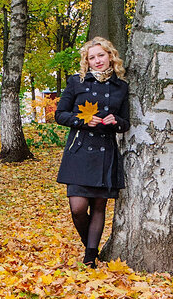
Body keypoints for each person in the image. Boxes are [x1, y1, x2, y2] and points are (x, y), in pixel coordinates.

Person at [54, 37, 130, 268]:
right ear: (86, 61)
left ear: (111, 56)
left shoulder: (121, 86)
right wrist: (83, 120)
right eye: (92, 57)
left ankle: (90, 256)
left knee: (98, 206)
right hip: (79, 150)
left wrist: (115, 121)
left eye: (101, 55)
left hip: (105, 151)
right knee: (77, 208)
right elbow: (60, 114)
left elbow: (126, 122)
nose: (97, 61)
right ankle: (89, 245)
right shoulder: (76, 82)